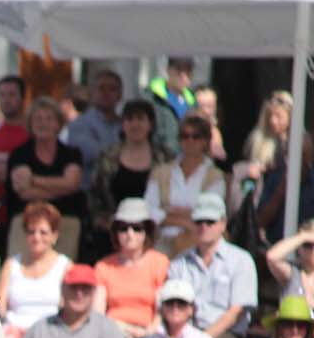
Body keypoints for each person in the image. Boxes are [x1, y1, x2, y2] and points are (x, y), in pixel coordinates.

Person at [167, 191, 258, 338]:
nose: (204, 226)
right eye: (199, 221)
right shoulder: (179, 263)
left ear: (223, 224)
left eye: (210, 221)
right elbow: (171, 305)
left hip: (226, 335)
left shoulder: (241, 260)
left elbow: (235, 313)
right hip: (184, 331)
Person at [5, 98, 85, 260]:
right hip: (25, 219)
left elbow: (72, 184)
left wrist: (33, 180)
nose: (44, 123)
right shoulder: (20, 154)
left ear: (58, 123)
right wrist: (61, 187)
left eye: (49, 119)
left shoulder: (71, 154)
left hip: (66, 219)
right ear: (30, 123)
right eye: (38, 119)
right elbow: (23, 191)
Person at [89, 100, 169, 253]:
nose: (135, 124)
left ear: (150, 124)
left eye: (140, 119)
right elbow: (94, 194)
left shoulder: (165, 157)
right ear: (123, 124)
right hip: (113, 232)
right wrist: (104, 221)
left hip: (154, 232)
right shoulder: (107, 156)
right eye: (130, 119)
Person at [0, 201, 70, 338]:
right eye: (31, 231)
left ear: (54, 235)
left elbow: (67, 310)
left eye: (43, 232)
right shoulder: (11, 264)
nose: (36, 237)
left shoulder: (66, 266)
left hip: (51, 335)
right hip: (13, 337)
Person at [145, 115, 226, 257]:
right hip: (162, 240)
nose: (190, 141)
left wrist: (168, 212)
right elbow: (148, 209)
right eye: (184, 136)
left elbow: (212, 210)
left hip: (199, 240)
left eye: (195, 136)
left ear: (205, 141)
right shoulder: (160, 172)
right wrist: (185, 221)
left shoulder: (215, 176)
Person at [92, 198, 169, 338]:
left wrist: (148, 332)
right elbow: (98, 313)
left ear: (147, 232)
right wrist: (116, 329)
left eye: (137, 228)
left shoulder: (160, 263)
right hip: (113, 332)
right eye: (123, 228)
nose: (130, 234)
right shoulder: (103, 266)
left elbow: (162, 309)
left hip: (150, 334)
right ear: (116, 232)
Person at [0, 76, 33, 251]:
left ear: (23, 98)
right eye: (2, 95)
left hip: (26, 216)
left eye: (11, 94)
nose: (6, 100)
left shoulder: (32, 134)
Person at [237, 90, 295, 244]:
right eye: (270, 116)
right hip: (262, 197)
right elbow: (246, 182)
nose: (273, 121)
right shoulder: (258, 141)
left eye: (279, 116)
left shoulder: (295, 145)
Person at [62, 69, 122, 167]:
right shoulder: (78, 125)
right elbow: (92, 154)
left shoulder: (125, 124)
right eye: (101, 88)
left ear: (120, 95)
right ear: (92, 93)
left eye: (112, 89)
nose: (106, 93)